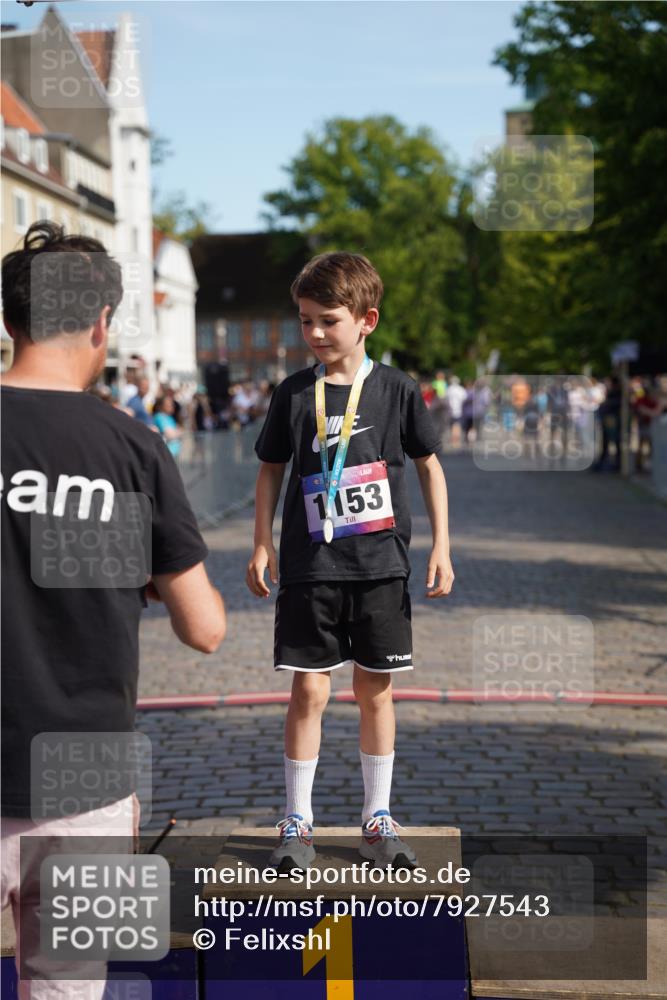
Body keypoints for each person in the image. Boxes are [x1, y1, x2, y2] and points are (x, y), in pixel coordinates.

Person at [1, 222, 226, 999]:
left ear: (9, 322)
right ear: (102, 324)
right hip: (88, 779)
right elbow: (204, 629)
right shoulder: (133, 448)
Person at [245, 252, 454, 872]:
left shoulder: (396, 389)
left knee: (375, 691)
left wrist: (442, 543)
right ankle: (298, 819)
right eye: (304, 320)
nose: (312, 333)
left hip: (381, 564)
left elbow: (428, 464)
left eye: (326, 321)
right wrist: (262, 541)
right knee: (309, 690)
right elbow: (270, 471)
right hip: (312, 567)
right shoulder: (292, 393)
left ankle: (377, 814)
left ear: (367, 320)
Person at [153, 394, 184, 458]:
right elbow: (170, 434)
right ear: (160, 406)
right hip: (166, 455)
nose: (172, 406)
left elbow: (178, 431)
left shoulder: (169, 417)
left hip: (173, 454)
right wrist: (178, 432)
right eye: (168, 404)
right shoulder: (159, 417)